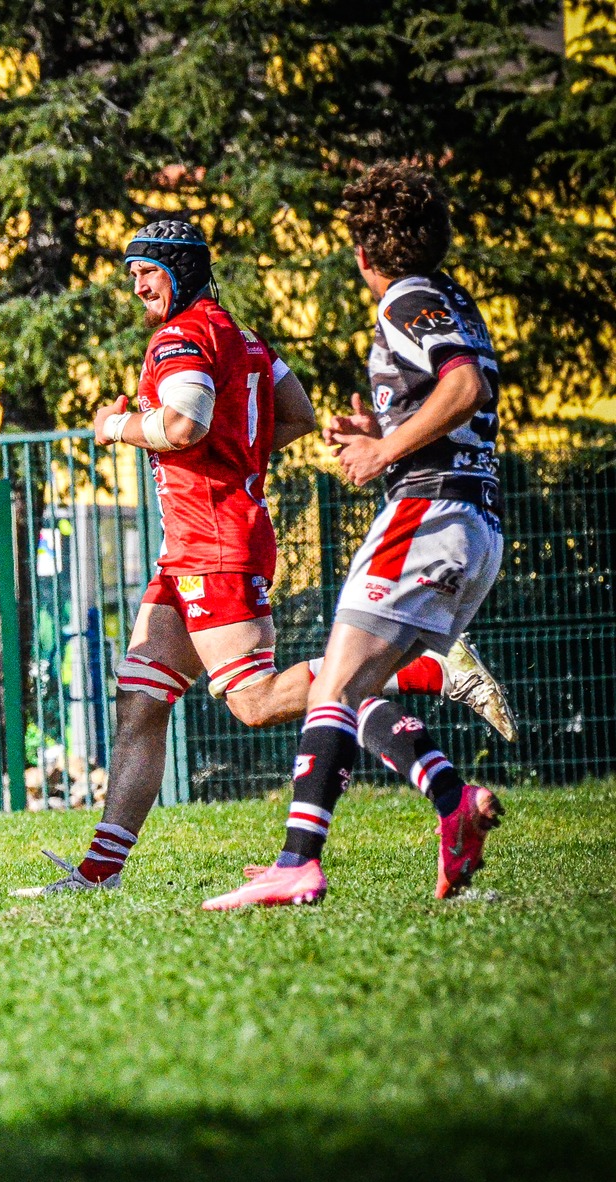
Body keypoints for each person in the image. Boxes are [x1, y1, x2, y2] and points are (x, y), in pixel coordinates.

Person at [13, 219, 513, 897]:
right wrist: (236, 456)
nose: (136, 287)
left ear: (181, 271)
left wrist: (115, 427)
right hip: (197, 543)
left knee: (251, 702)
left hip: (212, 544)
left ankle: (424, 667)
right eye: (130, 274)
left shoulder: (180, 337)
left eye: (147, 272)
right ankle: (98, 874)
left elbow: (182, 422)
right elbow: (298, 412)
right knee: (140, 702)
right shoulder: (241, 337)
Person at [204, 166, 507, 911]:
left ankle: (298, 863)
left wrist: (382, 452)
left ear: (364, 251)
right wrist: (381, 429)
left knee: (332, 688)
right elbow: (455, 397)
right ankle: (454, 804)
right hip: (472, 520)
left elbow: (466, 388)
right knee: (351, 688)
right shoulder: (452, 300)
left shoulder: (407, 299)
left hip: (428, 515)